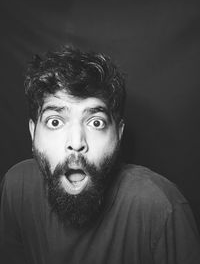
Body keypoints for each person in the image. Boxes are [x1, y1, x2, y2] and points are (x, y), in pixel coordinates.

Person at [0, 46, 200, 264]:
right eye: (55, 122)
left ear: (119, 133)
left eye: (96, 123)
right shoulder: (16, 187)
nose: (76, 144)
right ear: (33, 132)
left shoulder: (161, 207)